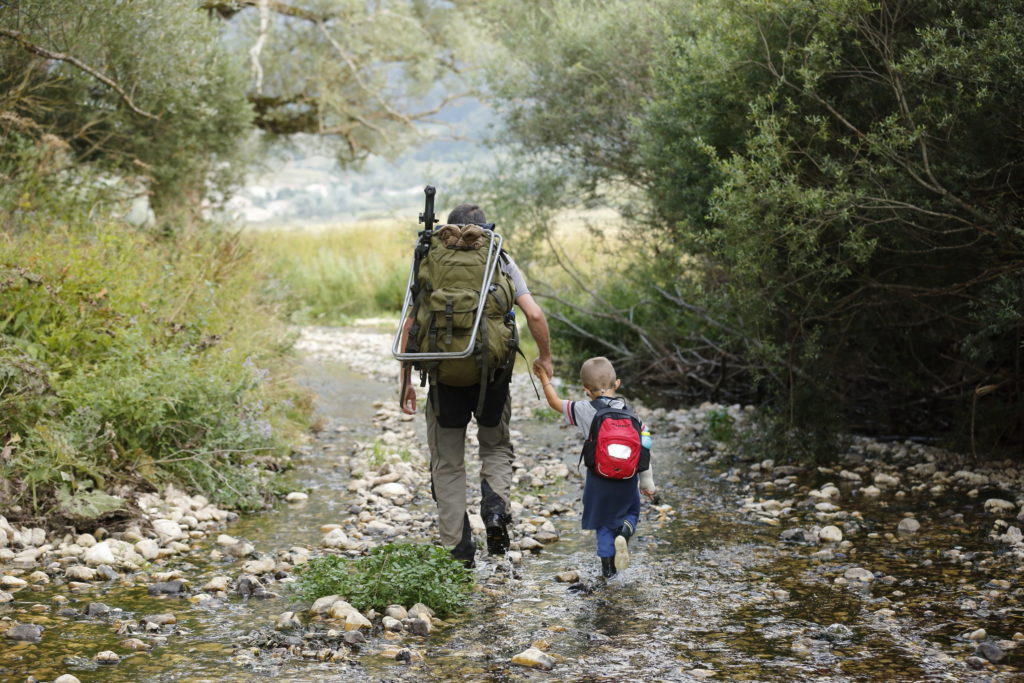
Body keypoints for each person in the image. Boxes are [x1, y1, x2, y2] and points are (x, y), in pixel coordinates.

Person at [399, 203, 553, 567]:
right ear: (484, 230)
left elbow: (409, 326)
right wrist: (544, 357)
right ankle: (496, 511)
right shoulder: (500, 258)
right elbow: (533, 314)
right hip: (492, 373)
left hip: (443, 376)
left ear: (447, 231)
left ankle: (458, 549)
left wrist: (405, 381)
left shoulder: (429, 259)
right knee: (495, 446)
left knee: (448, 463)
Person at [534, 356, 656, 578]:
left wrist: (544, 378)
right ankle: (625, 530)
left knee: (603, 523)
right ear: (616, 384)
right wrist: (647, 481)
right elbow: (645, 444)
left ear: (586, 390)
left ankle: (608, 571)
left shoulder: (583, 409)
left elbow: (554, 403)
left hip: (598, 480)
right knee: (631, 511)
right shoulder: (631, 414)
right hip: (627, 479)